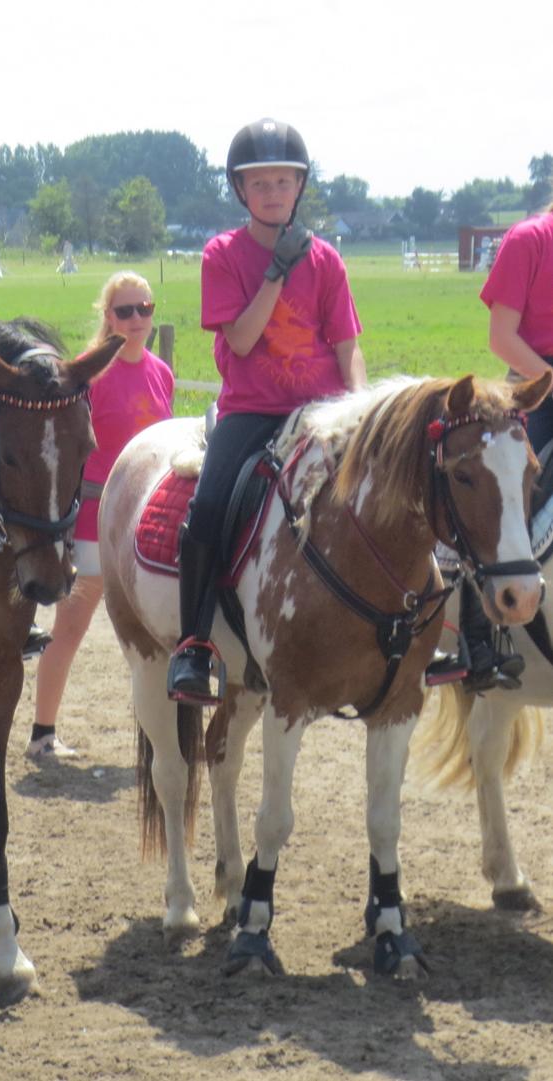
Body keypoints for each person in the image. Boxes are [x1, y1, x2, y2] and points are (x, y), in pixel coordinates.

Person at [167, 119, 366, 704]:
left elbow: (347, 348)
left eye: (285, 181)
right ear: (241, 191)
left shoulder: (327, 260)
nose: (274, 192)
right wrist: (277, 270)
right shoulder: (222, 255)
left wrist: (360, 410)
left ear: (299, 188)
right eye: (261, 184)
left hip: (324, 410)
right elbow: (246, 339)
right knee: (206, 509)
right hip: (252, 411)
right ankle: (194, 646)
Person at [24, 272, 174, 759]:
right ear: (106, 316)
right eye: (124, 310)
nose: (136, 319)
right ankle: (42, 733)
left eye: (144, 308)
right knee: (71, 626)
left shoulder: (161, 373)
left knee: (159, 630)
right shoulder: (88, 376)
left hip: (146, 522)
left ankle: (161, 735)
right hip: (93, 517)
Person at [427, 205, 553, 691]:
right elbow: (501, 336)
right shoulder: (529, 240)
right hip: (537, 386)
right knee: (508, 497)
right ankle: (476, 641)